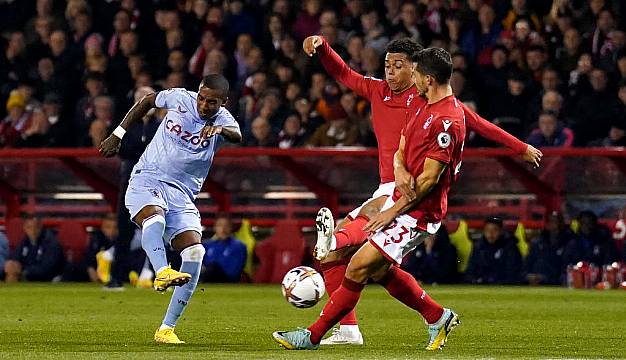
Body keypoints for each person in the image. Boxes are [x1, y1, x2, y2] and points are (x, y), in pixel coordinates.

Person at [298, 35, 542, 345]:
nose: (390, 71)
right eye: (387, 65)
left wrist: (520, 148)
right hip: (390, 182)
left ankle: (336, 238)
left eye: (399, 66)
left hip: (410, 190)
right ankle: (356, 328)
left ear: (416, 70)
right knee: (370, 267)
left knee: (356, 234)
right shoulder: (378, 92)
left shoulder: (430, 100)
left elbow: (479, 123)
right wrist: (323, 48)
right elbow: (344, 73)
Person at [273, 47, 465, 351]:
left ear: (427, 78)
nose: (407, 78)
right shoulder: (422, 104)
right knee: (375, 269)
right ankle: (437, 316)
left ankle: (312, 336)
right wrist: (399, 168)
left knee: (357, 267)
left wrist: (392, 212)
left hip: (419, 212)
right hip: (399, 195)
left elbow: (428, 181)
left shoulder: (448, 121)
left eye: (413, 72)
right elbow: (401, 146)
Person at [99, 74, 241, 344]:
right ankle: (161, 270)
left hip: (183, 194)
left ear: (223, 102)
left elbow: (238, 135)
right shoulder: (179, 98)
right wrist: (117, 134)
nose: (203, 105)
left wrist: (220, 130)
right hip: (148, 177)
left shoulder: (224, 121)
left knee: (195, 251)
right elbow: (146, 102)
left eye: (211, 102)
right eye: (201, 97)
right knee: (155, 218)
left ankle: (166, 328)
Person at [105, 86, 161, 291]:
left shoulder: (162, 126)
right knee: (124, 230)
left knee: (162, 228)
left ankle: (162, 275)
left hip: (156, 182)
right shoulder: (125, 126)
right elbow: (122, 150)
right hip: (131, 181)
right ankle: (116, 277)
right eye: (141, 98)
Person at [4, 215, 65, 283]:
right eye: (29, 227)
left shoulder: (51, 242)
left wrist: (22, 270)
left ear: (41, 227)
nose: (33, 231)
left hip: (49, 278)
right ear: (24, 228)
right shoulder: (25, 241)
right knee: (12, 272)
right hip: (29, 275)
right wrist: (11, 264)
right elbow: (16, 257)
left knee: (15, 274)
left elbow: (46, 269)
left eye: (36, 227)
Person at [464, 217, 523, 285]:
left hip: (503, 285)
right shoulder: (478, 247)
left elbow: (512, 272)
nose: (490, 233)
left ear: (501, 231)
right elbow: (470, 269)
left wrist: (493, 280)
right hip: (481, 285)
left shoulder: (510, 247)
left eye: (495, 230)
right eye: (487, 230)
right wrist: (476, 280)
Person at [525, 212, 573, 285]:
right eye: (550, 221)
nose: (553, 225)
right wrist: (527, 276)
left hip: (555, 283)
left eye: (556, 222)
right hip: (534, 281)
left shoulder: (569, 243)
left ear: (561, 224)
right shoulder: (537, 243)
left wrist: (545, 278)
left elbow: (564, 270)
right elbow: (526, 266)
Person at [201, 213, 247, 283]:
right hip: (208, 277)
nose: (223, 229)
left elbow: (235, 271)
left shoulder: (238, 246)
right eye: (219, 226)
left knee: (213, 268)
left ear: (231, 227)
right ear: (215, 227)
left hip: (227, 279)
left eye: (226, 226)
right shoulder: (208, 245)